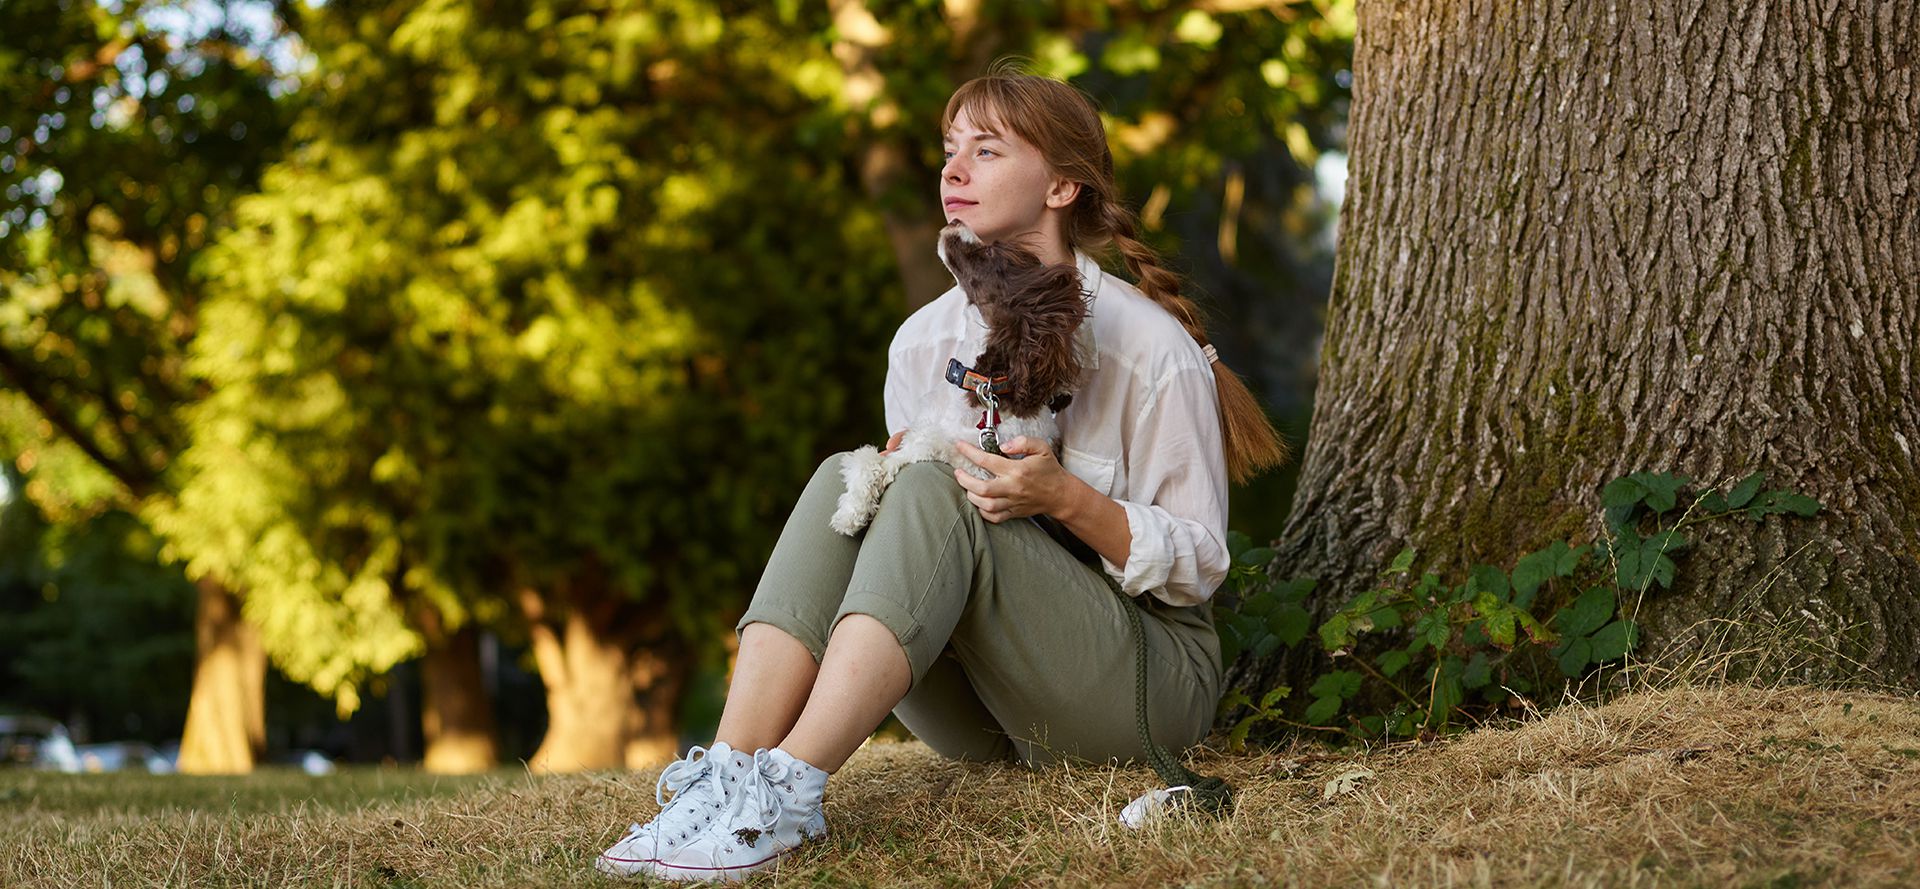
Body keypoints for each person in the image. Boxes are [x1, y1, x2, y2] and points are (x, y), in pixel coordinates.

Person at [596, 67, 1287, 883]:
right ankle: (725, 778)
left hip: (1139, 691)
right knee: (845, 479)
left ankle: (790, 794)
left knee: (929, 484)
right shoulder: (923, 342)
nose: (953, 172)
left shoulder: (1148, 348)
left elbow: (1202, 562)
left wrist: (1064, 496)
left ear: (1063, 184)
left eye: (987, 151)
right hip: (988, 710)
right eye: (950, 150)